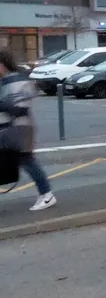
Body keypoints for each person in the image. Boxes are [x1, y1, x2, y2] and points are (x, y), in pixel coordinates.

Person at [0, 48, 56, 210]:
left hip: (19, 129)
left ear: (2, 64)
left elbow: (18, 107)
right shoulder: (10, 80)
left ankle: (47, 195)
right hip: (15, 128)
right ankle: (46, 194)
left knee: (27, 161)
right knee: (26, 161)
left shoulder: (15, 80)